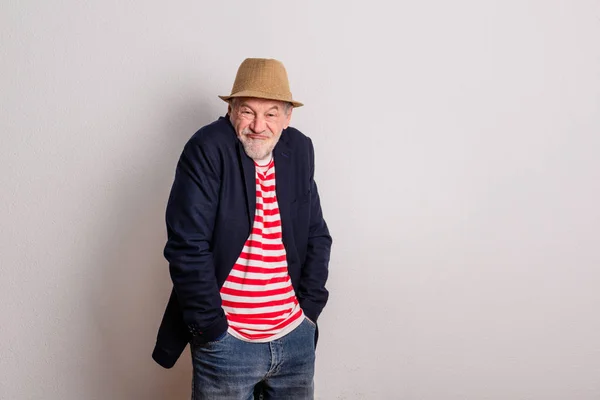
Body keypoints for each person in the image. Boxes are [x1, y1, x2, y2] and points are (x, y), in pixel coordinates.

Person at [152, 58, 332, 399]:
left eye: (271, 114)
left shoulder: (300, 150)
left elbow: (317, 235)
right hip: (228, 343)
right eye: (248, 111)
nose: (258, 126)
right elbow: (187, 245)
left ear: (287, 117)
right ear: (232, 111)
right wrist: (212, 330)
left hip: (294, 339)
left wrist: (308, 314)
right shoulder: (207, 149)